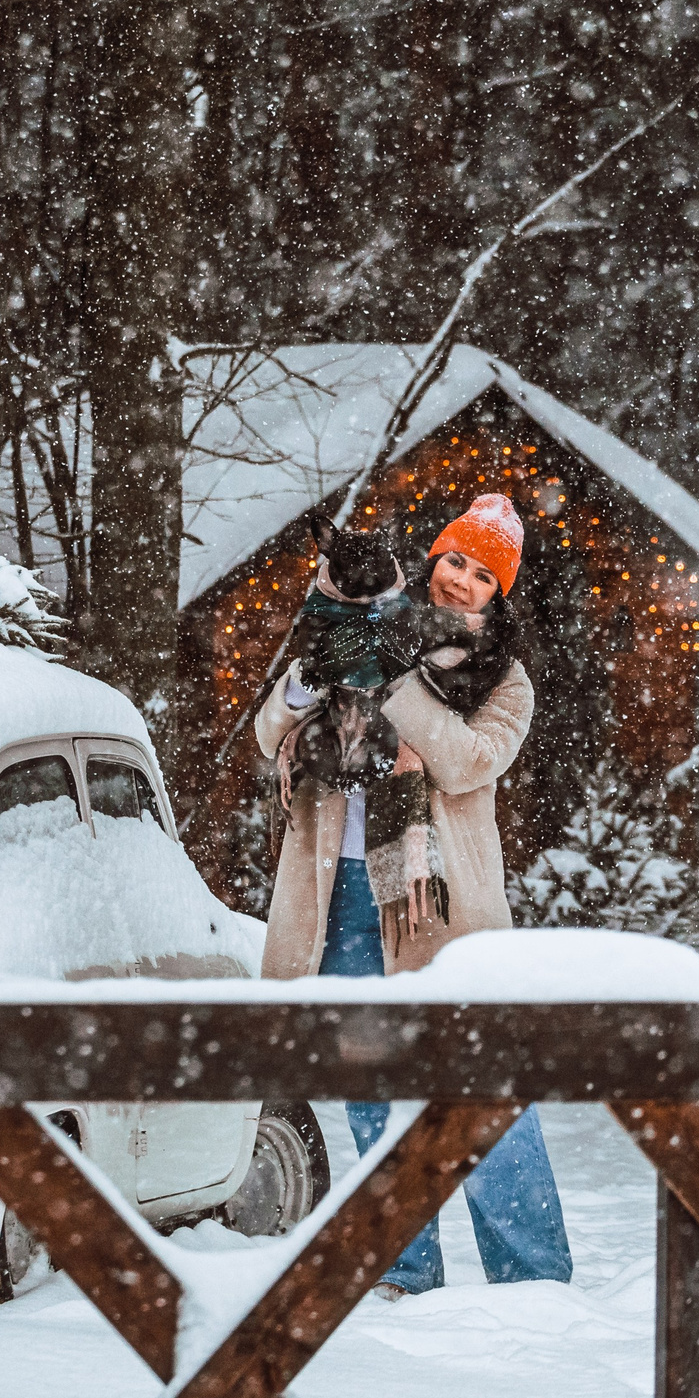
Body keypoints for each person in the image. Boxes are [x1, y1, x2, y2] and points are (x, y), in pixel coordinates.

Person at [252, 492, 573, 1297]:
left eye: (483, 574)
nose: (462, 580)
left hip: (439, 909)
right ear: (434, 560)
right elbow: (269, 735)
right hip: (344, 896)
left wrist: (391, 674)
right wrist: (311, 672)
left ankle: (532, 1277)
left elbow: (463, 761)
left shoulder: (506, 681)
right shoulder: (358, 624)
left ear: (500, 594)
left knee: (483, 1095)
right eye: (455, 560)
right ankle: (405, 1269)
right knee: (372, 1094)